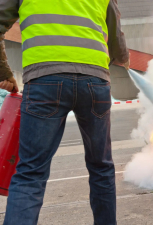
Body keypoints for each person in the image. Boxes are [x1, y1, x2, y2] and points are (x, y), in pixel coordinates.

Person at [0, 0, 130, 224]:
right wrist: (123, 59)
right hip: (94, 81)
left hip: (44, 80)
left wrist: (3, 72)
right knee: (101, 167)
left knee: (31, 173)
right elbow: (116, 36)